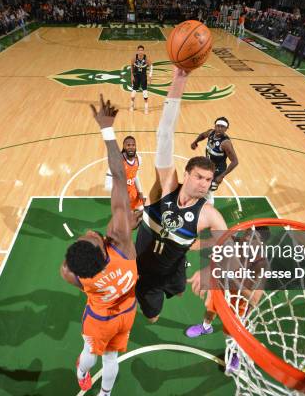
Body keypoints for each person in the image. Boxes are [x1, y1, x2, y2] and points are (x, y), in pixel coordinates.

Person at [135, 67, 228, 323]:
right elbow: (164, 134)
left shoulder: (208, 214)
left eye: (209, 180)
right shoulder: (165, 187)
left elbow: (228, 245)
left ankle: (175, 279)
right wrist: (180, 79)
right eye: (199, 177)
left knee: (177, 291)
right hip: (143, 272)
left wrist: (210, 267)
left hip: (173, 268)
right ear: (185, 174)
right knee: (152, 318)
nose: (204, 184)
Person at [61, 95, 138, 396]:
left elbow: (68, 268)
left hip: (100, 317)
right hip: (127, 311)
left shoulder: (75, 275)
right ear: (102, 247)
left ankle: (82, 372)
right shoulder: (122, 243)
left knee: (91, 353)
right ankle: (104, 394)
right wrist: (107, 131)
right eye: (90, 237)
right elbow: (120, 175)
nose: (90, 231)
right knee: (111, 357)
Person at [185, 227, 270, 372]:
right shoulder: (232, 243)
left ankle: (234, 353)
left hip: (239, 301)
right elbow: (206, 244)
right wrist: (183, 243)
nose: (248, 237)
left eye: (254, 237)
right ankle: (206, 327)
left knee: (231, 333)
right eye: (248, 233)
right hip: (221, 288)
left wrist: (234, 279)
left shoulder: (261, 265)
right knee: (210, 309)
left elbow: (254, 300)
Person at [190, 117, 239, 204]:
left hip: (217, 171)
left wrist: (221, 176)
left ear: (226, 129)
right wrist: (195, 142)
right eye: (218, 126)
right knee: (201, 186)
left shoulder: (225, 143)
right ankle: (197, 203)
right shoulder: (211, 132)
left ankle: (209, 210)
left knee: (208, 192)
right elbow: (202, 135)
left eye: (222, 127)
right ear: (215, 126)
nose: (220, 128)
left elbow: (235, 161)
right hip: (208, 166)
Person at [105, 136, 145, 211]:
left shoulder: (138, 159)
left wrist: (140, 191)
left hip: (133, 194)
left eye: (133, 145)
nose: (131, 147)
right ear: (124, 146)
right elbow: (107, 185)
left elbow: (135, 176)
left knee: (142, 212)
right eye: (128, 145)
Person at [130, 45, 152, 114]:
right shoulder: (134, 58)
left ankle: (146, 108)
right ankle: (132, 105)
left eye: (142, 50)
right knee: (133, 92)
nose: (140, 51)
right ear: (137, 51)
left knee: (145, 91)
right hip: (136, 76)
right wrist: (132, 75)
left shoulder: (146, 59)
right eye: (139, 50)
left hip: (143, 76)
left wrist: (150, 76)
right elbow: (131, 66)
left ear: (143, 51)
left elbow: (151, 66)